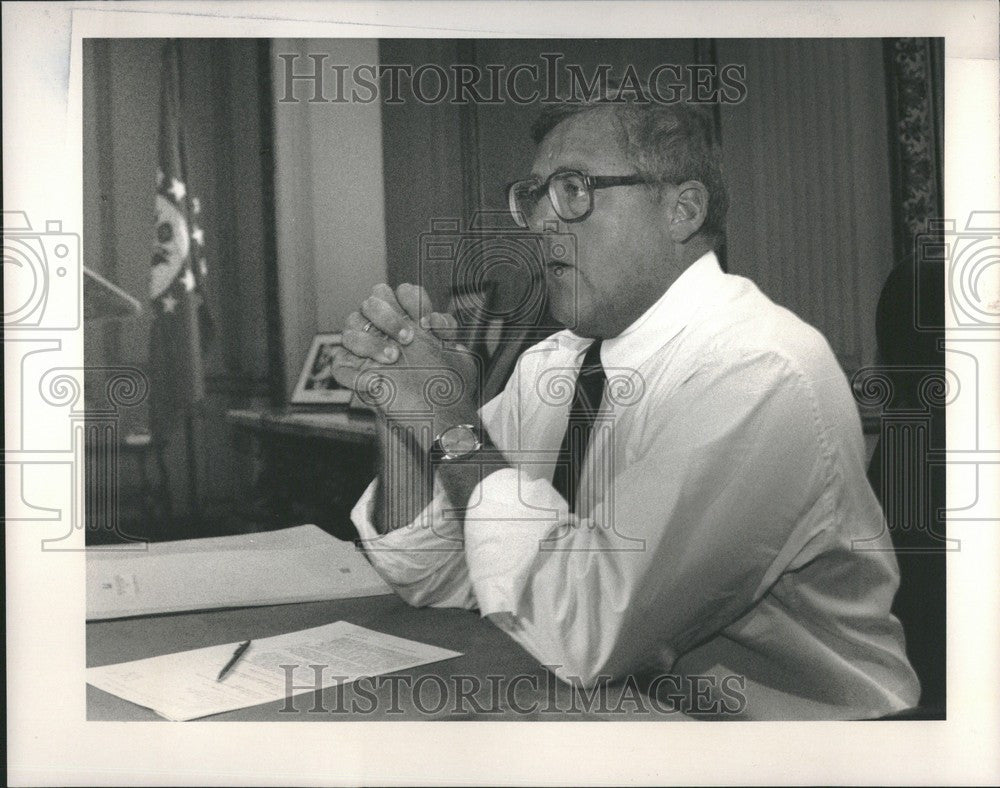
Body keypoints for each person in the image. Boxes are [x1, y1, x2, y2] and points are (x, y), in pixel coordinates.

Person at [328, 96, 920, 720]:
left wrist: (448, 424)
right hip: (622, 719)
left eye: (574, 189)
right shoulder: (555, 366)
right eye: (534, 194)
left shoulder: (759, 373)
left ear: (682, 210)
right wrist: (401, 403)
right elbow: (430, 574)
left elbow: (584, 629)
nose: (540, 223)